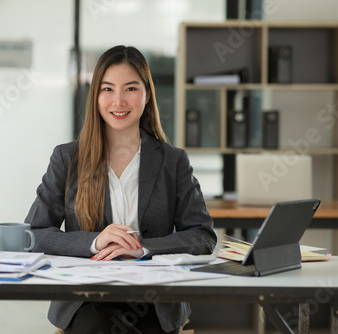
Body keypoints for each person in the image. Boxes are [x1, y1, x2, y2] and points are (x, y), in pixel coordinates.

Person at [25, 45, 217, 334]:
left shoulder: (172, 161)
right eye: (107, 89)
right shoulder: (68, 159)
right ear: (95, 96)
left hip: (155, 299)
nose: (118, 101)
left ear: (147, 94)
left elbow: (202, 235)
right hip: (86, 298)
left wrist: (144, 249)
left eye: (130, 89)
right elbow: (33, 235)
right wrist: (94, 242)